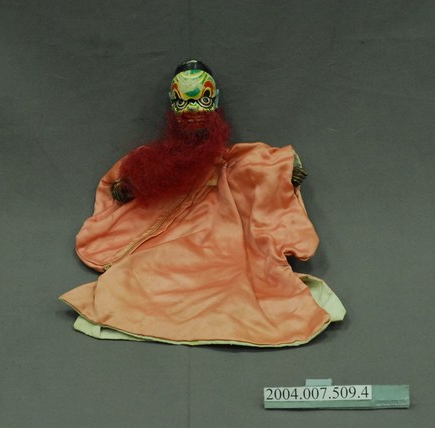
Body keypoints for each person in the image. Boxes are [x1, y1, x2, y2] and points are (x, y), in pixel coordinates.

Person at [60, 60, 345, 347]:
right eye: (183, 101)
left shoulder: (238, 164)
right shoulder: (155, 161)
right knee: (140, 278)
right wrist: (130, 185)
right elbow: (119, 186)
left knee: (242, 282)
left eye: (203, 99)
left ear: (215, 101)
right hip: (168, 248)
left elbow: (260, 169)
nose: (193, 109)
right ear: (172, 103)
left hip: (225, 245)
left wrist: (282, 173)